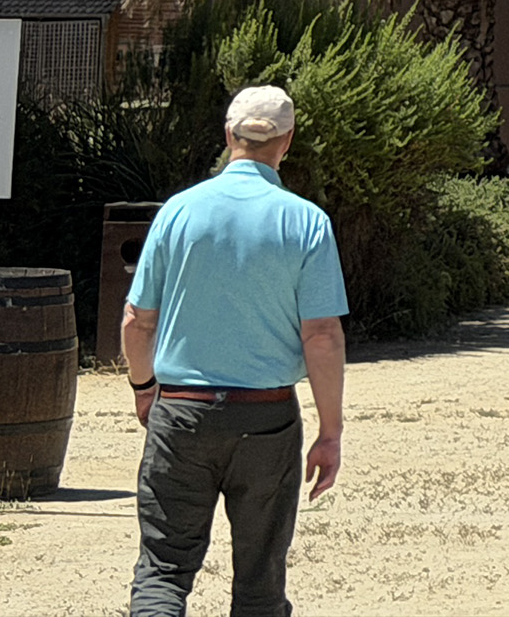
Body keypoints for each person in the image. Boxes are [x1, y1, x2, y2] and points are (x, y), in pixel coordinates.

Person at [120, 82, 349, 617]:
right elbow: (322, 335)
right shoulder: (307, 222)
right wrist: (330, 432)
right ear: (287, 141)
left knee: (162, 573)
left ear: (228, 136)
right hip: (266, 418)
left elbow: (136, 320)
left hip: (181, 412)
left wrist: (144, 387)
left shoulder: (177, 212)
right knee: (260, 588)